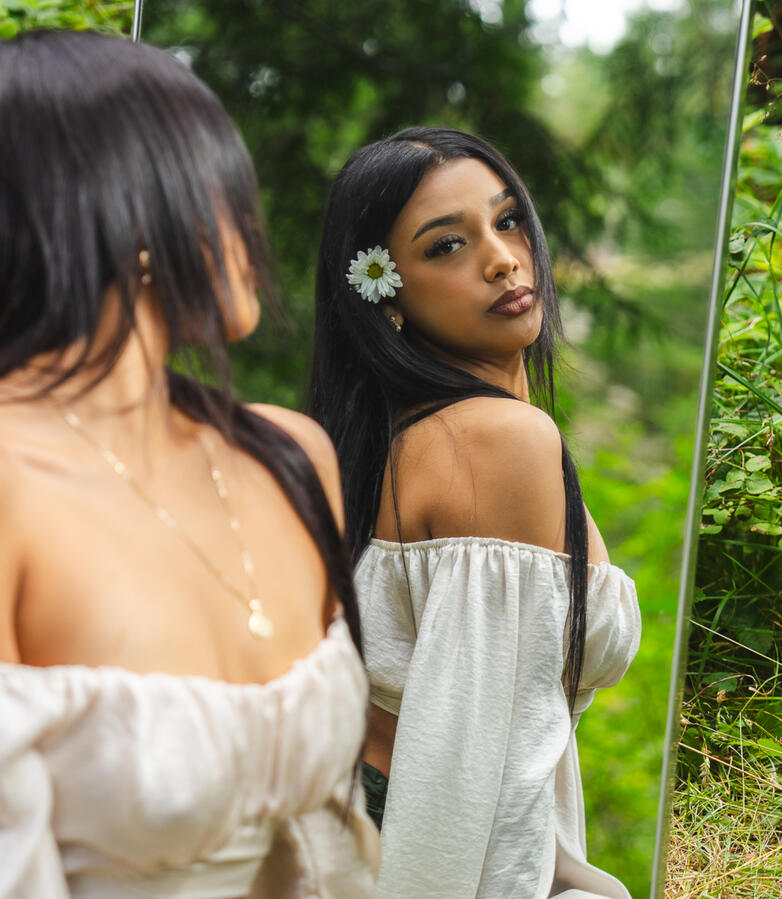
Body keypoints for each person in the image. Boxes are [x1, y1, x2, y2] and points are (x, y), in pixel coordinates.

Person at [0, 30, 377, 898]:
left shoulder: (287, 454)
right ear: (130, 209)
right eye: (223, 188)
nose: (253, 229)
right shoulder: (13, 494)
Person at [308, 126, 641, 898]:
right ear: (384, 291)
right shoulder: (493, 441)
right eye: (447, 246)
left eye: (508, 219)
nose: (501, 258)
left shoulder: (409, 437)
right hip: (424, 849)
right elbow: (474, 771)